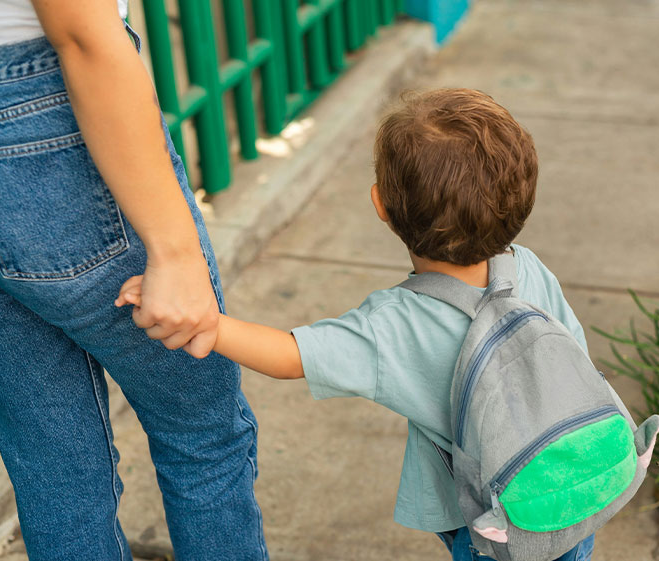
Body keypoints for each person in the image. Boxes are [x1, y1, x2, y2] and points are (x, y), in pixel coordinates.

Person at [119, 88, 596, 561]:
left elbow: (291, 356)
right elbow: (575, 356)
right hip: (575, 490)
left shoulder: (396, 324)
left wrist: (208, 324)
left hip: (497, 531)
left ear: (381, 205)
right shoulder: (527, 267)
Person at [0, 1, 267, 560]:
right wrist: (175, 253)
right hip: (41, 122)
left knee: (54, 470)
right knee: (202, 436)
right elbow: (82, 38)